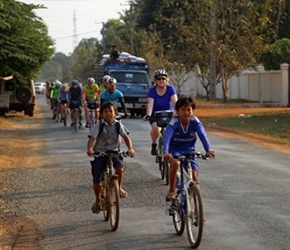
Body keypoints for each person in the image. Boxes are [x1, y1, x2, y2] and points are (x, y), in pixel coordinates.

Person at [162, 96, 215, 201]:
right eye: (183, 110)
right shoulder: (173, 122)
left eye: (189, 110)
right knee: (176, 163)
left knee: (195, 180)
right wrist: (166, 152)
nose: (186, 112)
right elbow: (167, 138)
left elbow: (203, 136)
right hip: (175, 149)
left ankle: (198, 213)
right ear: (177, 111)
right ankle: (171, 190)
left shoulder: (195, 122)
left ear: (192, 110)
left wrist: (209, 149)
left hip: (190, 150)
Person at [87, 101, 135, 213]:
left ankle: (119, 187)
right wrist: (90, 149)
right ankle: (98, 200)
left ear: (115, 113)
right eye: (106, 112)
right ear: (102, 114)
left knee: (120, 167)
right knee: (97, 179)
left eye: (111, 111)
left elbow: (126, 137)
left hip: (114, 151)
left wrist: (130, 149)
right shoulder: (99, 125)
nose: (108, 114)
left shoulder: (118, 125)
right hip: (100, 153)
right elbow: (92, 139)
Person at [142, 69, 177, 156]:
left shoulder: (171, 89)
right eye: (158, 79)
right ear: (155, 80)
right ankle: (154, 144)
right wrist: (148, 115)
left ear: (166, 80)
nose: (161, 80)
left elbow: (175, 103)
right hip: (156, 115)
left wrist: (178, 112)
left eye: (163, 78)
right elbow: (150, 104)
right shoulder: (152, 91)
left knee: (174, 131)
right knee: (156, 129)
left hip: (169, 114)